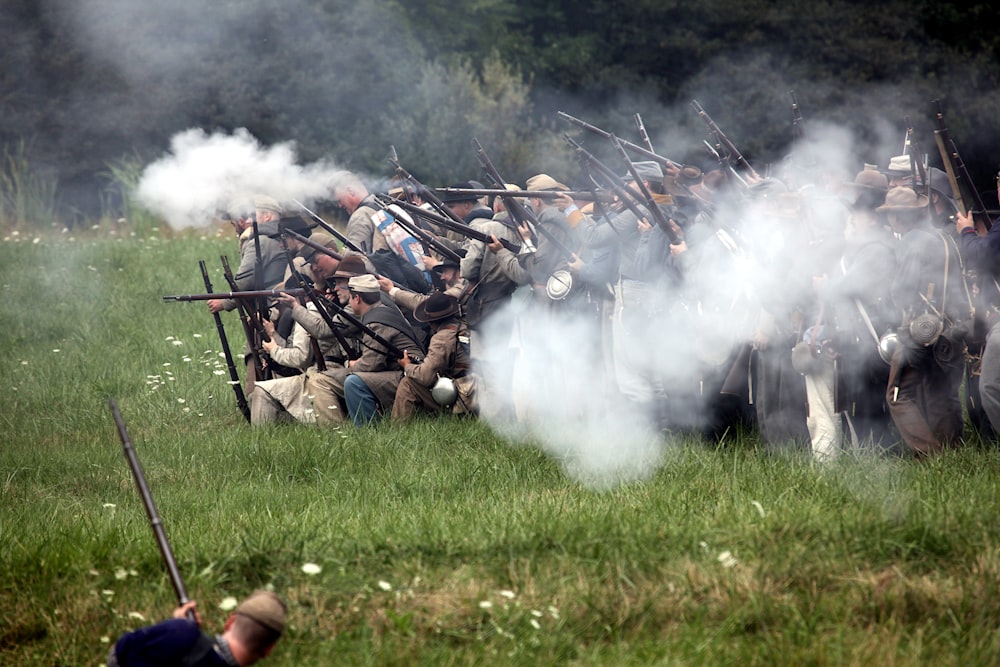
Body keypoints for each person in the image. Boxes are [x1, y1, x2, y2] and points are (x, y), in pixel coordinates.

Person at [881, 186, 973, 456]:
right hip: (950, 327)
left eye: (891, 215)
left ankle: (929, 453)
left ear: (898, 217)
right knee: (939, 394)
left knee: (898, 395)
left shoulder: (911, 242)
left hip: (922, 330)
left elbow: (902, 290)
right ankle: (951, 452)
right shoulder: (944, 238)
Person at [107, 590, 285, 667]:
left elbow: (119, 654)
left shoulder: (181, 634)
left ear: (230, 622)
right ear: (268, 650)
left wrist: (176, 626)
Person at [340, 274, 426, 426]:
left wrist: (352, 365)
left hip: (410, 375)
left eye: (350, 297)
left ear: (357, 298)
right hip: (405, 371)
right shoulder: (382, 312)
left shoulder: (375, 322)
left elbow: (371, 365)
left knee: (353, 383)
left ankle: (368, 432)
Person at [391, 292, 477, 420]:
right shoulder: (464, 328)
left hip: (463, 398)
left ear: (430, 322)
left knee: (408, 383)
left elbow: (426, 377)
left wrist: (407, 365)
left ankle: (397, 430)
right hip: (478, 393)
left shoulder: (441, 339)